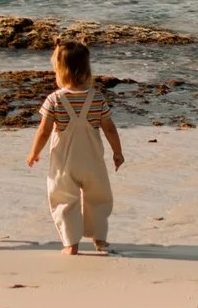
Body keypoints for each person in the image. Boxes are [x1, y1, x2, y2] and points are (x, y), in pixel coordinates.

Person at [25, 39, 125, 255]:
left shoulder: (54, 100)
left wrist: (34, 153)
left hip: (64, 164)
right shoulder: (97, 98)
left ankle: (71, 244)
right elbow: (110, 129)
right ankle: (100, 240)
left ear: (59, 71)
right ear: (87, 70)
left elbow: (43, 131)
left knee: (64, 200)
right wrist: (118, 152)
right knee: (98, 198)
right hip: (93, 162)